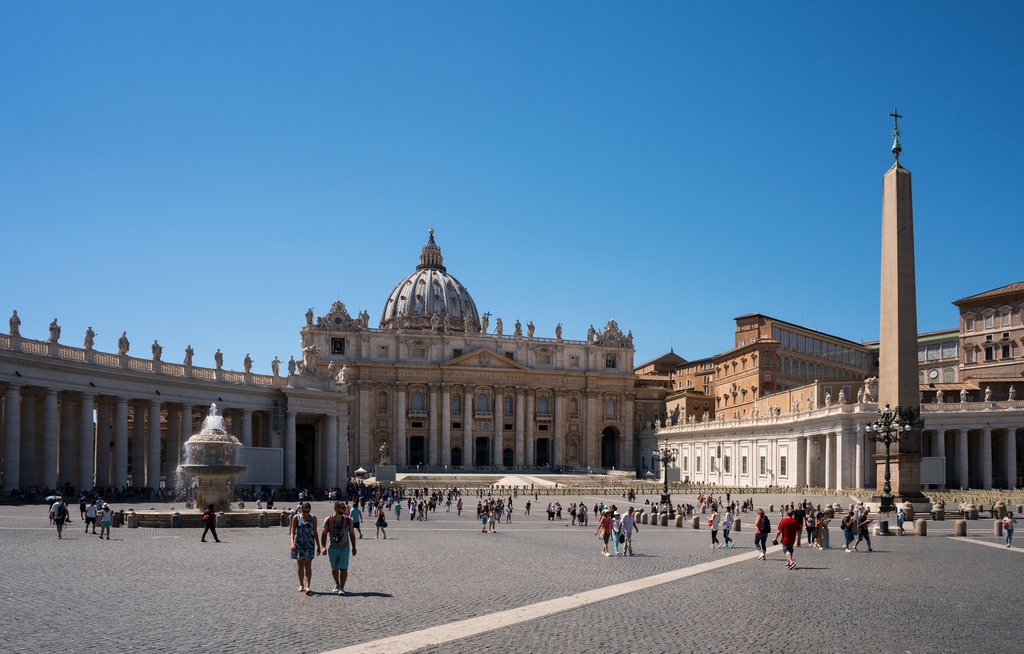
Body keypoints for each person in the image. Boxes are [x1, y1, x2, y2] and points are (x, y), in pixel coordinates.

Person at [321, 502, 357, 595]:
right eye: (342, 508)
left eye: (345, 507)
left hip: (344, 547)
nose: (345, 509)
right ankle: (337, 583)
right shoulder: (328, 520)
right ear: (336, 508)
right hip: (332, 547)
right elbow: (324, 534)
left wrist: (354, 547)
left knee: (344, 568)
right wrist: (323, 546)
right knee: (334, 568)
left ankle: (342, 587)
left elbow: (352, 534)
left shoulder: (348, 520)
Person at [290, 502, 318, 594]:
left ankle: (308, 586)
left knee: (308, 565)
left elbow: (315, 532)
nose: (306, 513)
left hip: (309, 543)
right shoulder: (296, 518)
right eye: (305, 511)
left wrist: (319, 545)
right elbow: (293, 532)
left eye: (308, 511)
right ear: (301, 509)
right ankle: (301, 584)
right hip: (299, 543)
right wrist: (292, 543)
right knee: (300, 565)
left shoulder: (313, 518)